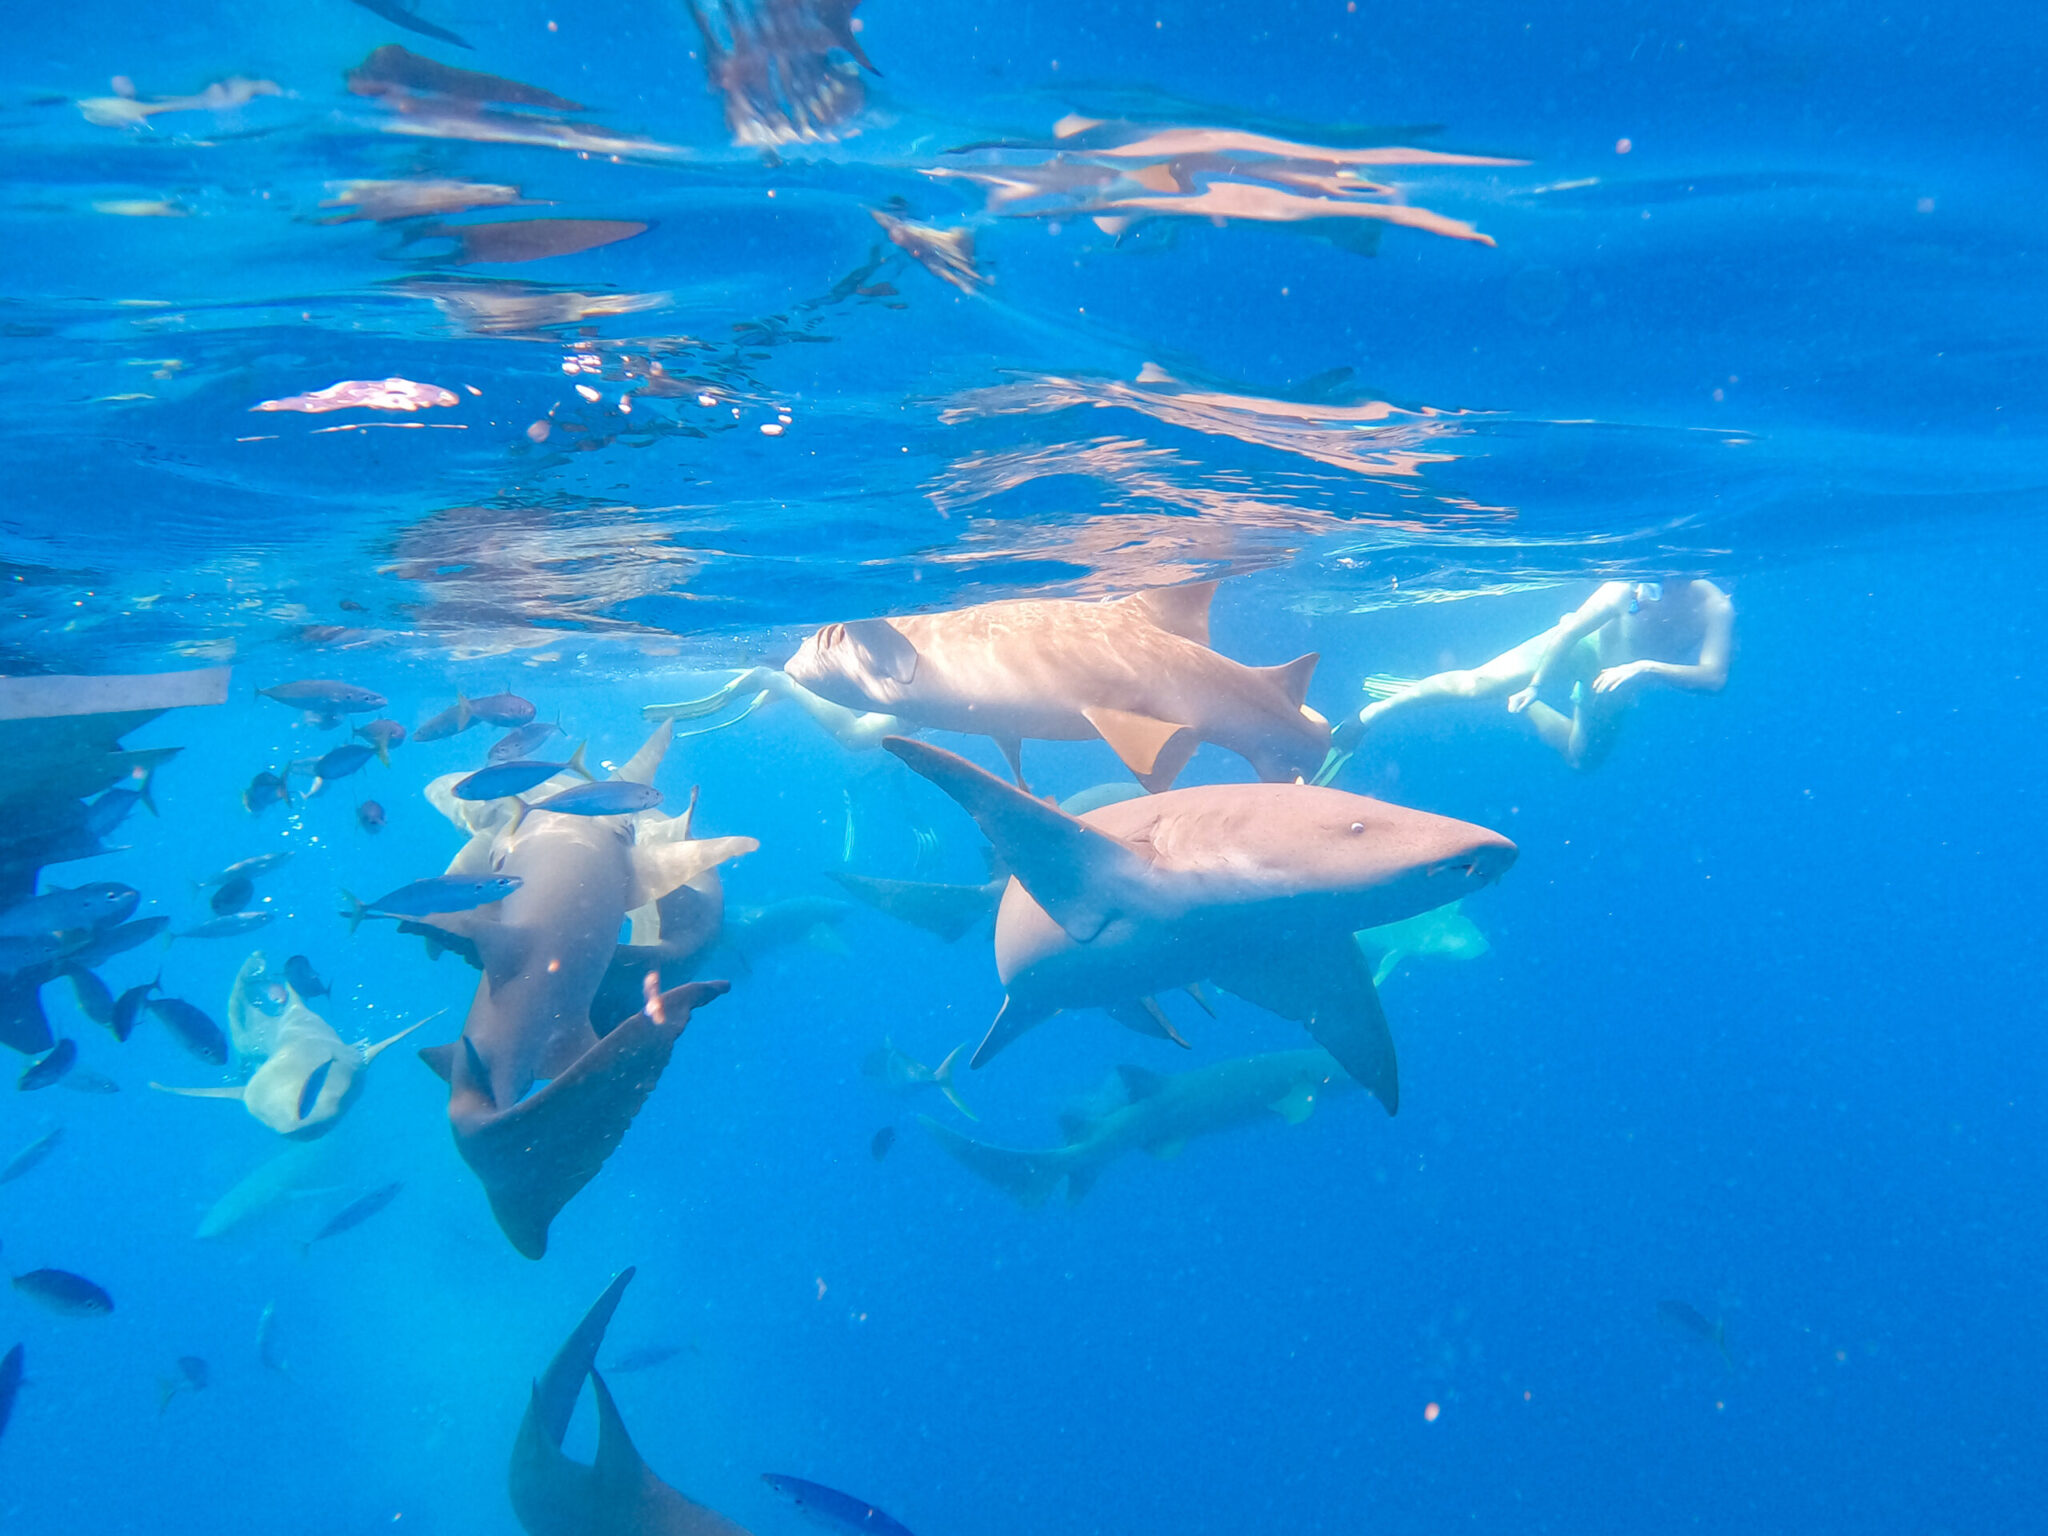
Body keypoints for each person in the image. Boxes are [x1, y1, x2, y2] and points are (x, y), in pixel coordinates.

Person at [1320, 579, 1734, 779]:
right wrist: (1538, 682)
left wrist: (1645, 667)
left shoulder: (1713, 605)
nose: (1646, 595)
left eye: (1660, 585)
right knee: (1476, 684)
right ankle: (1366, 718)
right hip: (1580, 650)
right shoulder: (1622, 588)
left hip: (1618, 682)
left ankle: (1527, 702)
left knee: (1581, 759)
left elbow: (1714, 678)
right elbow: (1569, 633)